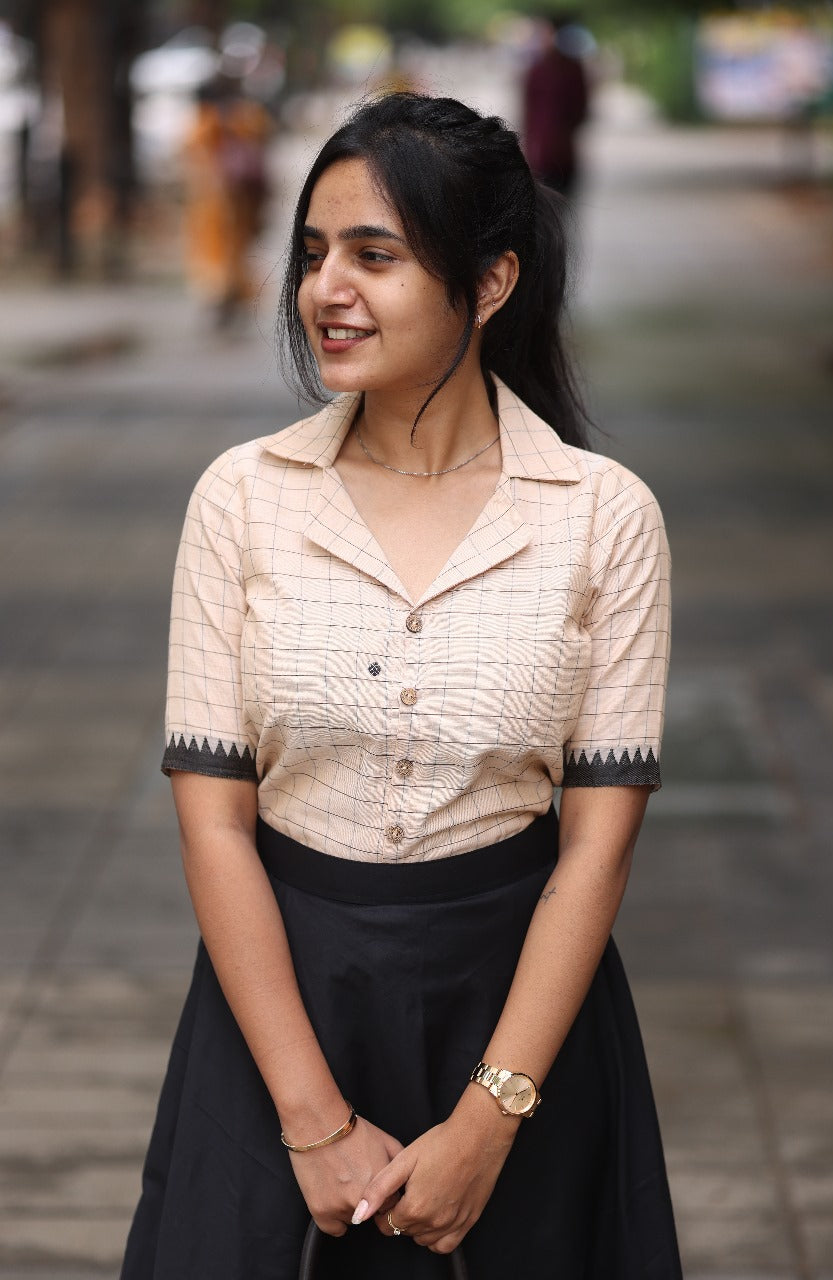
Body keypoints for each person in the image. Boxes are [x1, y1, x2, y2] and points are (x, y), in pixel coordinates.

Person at [121, 92, 680, 1280]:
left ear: (489, 284)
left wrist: (490, 1118)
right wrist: (312, 1120)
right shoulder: (243, 498)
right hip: (276, 1001)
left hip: (520, 1005)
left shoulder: (602, 518)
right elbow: (213, 821)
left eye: (375, 255)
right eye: (314, 253)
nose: (328, 288)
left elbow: (597, 849)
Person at [182, 73, 271, 329]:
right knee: (233, 251)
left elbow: (190, 152)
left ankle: (224, 297)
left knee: (219, 251)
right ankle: (229, 298)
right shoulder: (246, 117)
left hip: (219, 201)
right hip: (237, 201)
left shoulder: (208, 121)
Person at [522, 16, 590, 197]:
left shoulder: (566, 69)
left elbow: (580, 110)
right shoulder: (540, 70)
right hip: (547, 153)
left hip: (557, 153)